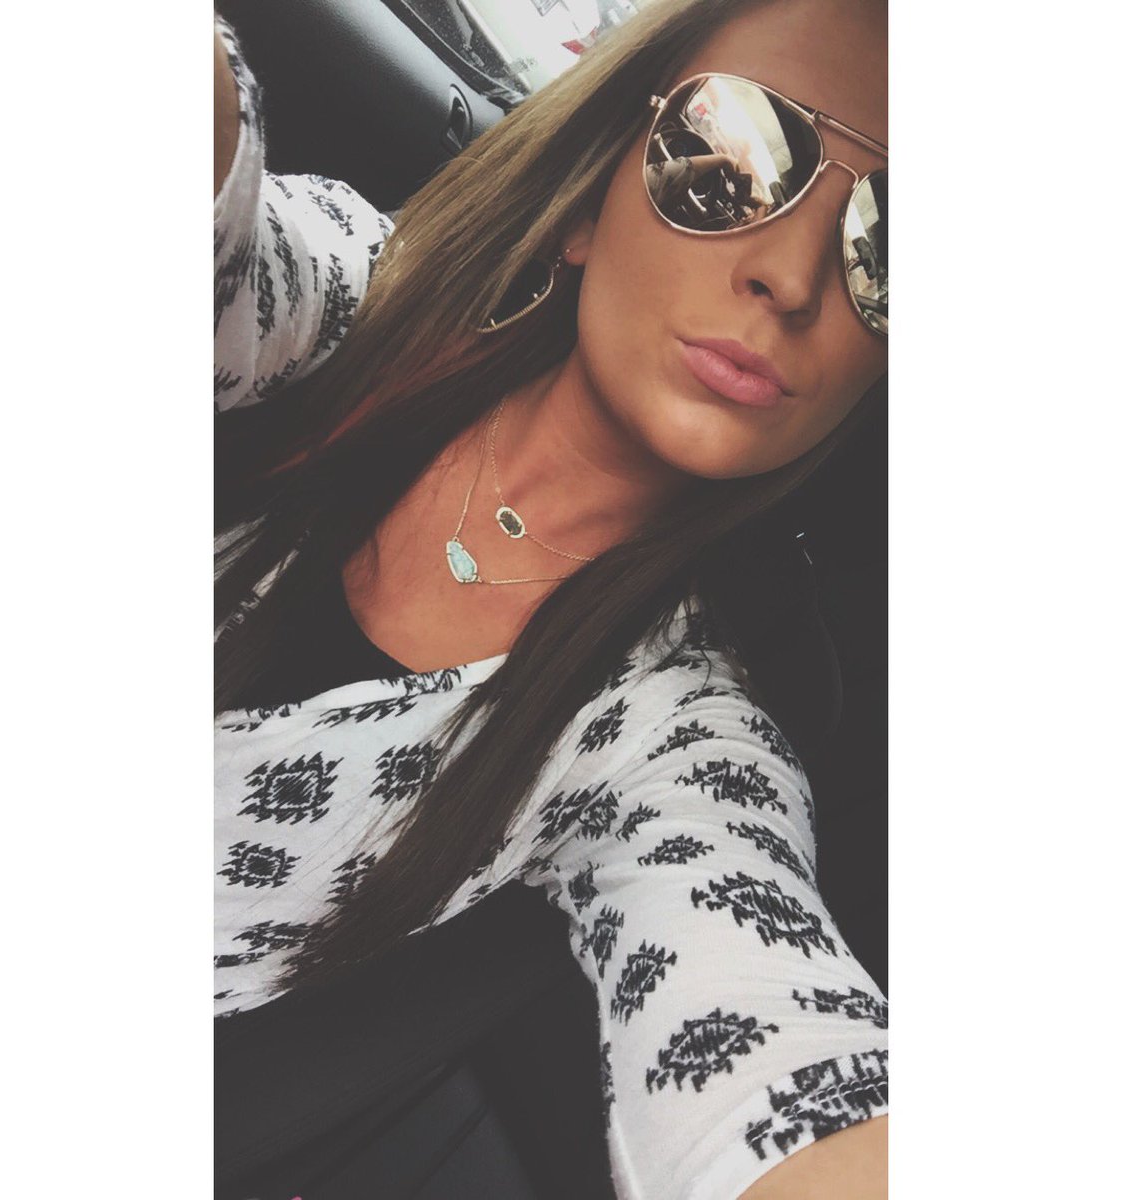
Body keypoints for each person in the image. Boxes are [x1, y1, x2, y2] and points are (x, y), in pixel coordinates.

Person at [214, 0, 888, 1196]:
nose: (790, 277)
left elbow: (768, 1045)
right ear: (588, 203)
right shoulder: (360, 306)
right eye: (730, 153)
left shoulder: (671, 742)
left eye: (892, 247)